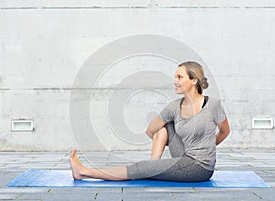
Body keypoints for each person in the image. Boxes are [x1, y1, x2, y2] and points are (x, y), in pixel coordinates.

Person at [69, 61, 230, 182]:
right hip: (184, 155)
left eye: (180, 77)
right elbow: (151, 130)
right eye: (175, 77)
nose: (175, 81)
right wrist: (160, 139)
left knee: (140, 168)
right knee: (165, 126)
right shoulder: (174, 107)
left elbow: (225, 131)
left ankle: (83, 172)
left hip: (200, 167)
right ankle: (153, 165)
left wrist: (208, 146)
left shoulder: (213, 105)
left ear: (194, 80)